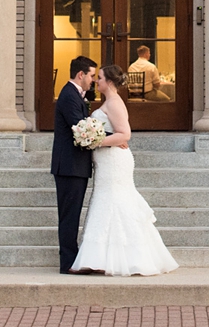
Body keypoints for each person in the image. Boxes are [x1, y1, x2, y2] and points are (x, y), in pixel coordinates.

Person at [70, 64, 179, 276]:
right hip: (106, 161)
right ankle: (99, 258)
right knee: (105, 201)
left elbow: (124, 134)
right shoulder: (108, 102)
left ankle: (128, 258)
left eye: (99, 77)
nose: (96, 81)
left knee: (115, 201)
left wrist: (94, 141)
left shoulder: (115, 103)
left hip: (114, 160)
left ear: (109, 82)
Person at [52, 55, 97, 274]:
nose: (93, 81)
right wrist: (107, 137)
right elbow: (81, 129)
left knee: (72, 214)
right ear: (81, 74)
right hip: (69, 166)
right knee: (69, 215)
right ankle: (68, 263)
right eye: (91, 76)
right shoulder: (69, 95)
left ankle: (72, 259)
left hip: (74, 166)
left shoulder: (75, 95)